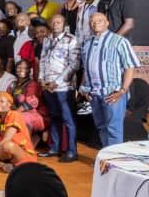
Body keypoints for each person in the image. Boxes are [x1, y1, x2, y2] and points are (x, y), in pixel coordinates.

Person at [79, 12, 139, 147]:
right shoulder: (87, 43)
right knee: (101, 127)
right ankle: (106, 159)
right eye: (92, 22)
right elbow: (86, 68)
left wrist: (123, 90)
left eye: (99, 21)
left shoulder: (119, 41)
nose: (95, 24)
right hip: (93, 93)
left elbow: (129, 67)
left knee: (113, 129)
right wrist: (83, 87)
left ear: (107, 23)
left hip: (112, 93)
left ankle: (114, 162)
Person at [39, 15, 79, 161]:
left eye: (59, 22)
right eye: (53, 22)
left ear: (64, 24)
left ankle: (71, 152)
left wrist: (58, 81)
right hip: (48, 86)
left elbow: (74, 64)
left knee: (68, 120)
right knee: (54, 117)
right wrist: (41, 79)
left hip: (64, 87)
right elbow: (43, 60)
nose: (55, 24)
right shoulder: (47, 39)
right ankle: (54, 148)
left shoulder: (71, 39)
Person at [0, 92, 38, 171]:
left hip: (20, 153)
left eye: (2, 101)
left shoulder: (14, 114)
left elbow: (6, 139)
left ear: (9, 104)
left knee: (7, 145)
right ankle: (1, 164)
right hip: (3, 152)